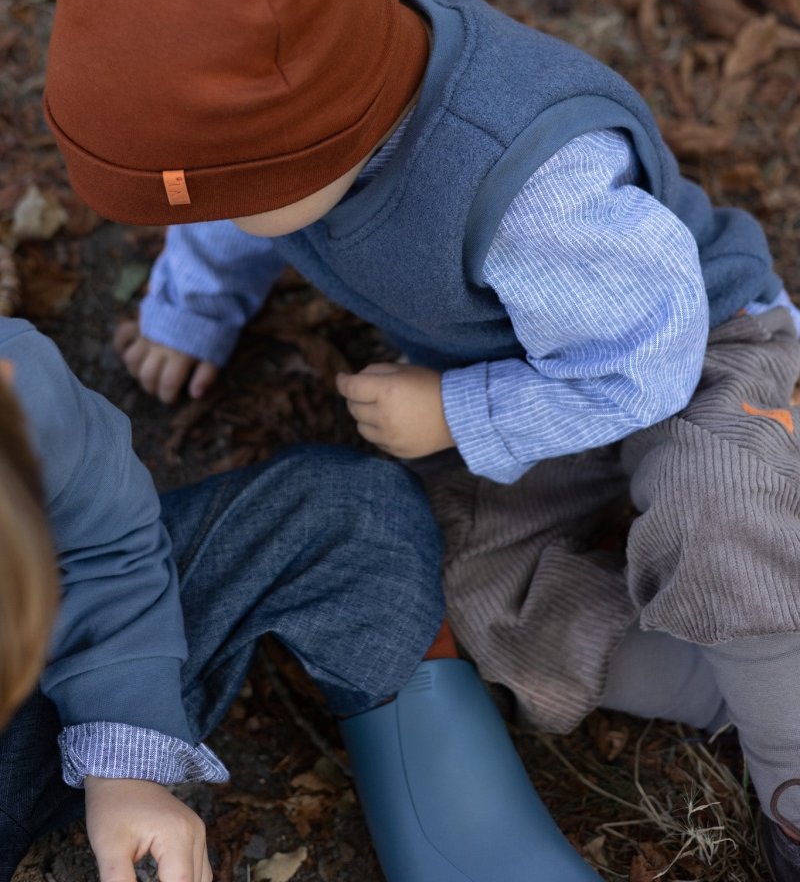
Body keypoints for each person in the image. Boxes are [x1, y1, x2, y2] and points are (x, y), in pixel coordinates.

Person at [43, 0, 800, 881]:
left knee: (726, 519)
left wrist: (458, 413)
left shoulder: (532, 187)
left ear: (319, 135)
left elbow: (645, 358)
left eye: (232, 191)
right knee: (467, 591)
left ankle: (790, 769)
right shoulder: (292, 118)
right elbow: (222, 209)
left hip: (687, 345)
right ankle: (742, 682)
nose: (213, 214)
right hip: (526, 369)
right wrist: (190, 311)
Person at [0, 315, 599, 882]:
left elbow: (100, 545)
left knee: (348, 514)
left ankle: (470, 845)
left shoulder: (18, 381)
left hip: (41, 685)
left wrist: (122, 765)